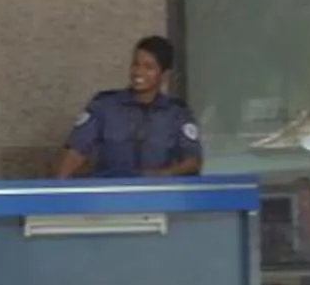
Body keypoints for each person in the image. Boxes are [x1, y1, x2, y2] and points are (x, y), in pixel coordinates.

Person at [56, 36, 203, 179]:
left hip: (158, 197)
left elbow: (192, 162)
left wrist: (162, 175)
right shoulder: (104, 105)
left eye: (148, 67)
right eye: (135, 64)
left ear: (164, 75)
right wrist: (57, 189)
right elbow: (77, 150)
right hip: (109, 196)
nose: (138, 72)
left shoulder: (177, 113)